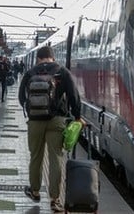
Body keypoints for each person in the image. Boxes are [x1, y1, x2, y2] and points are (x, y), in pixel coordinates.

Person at [19, 46, 84, 213]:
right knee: (56, 158)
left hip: (35, 121)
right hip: (57, 120)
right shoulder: (62, 72)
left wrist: (30, 110)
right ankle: (55, 200)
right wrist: (77, 117)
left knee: (36, 156)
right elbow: (74, 97)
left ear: (38, 58)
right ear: (52, 57)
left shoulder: (30, 72)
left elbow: (21, 97)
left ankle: (34, 191)